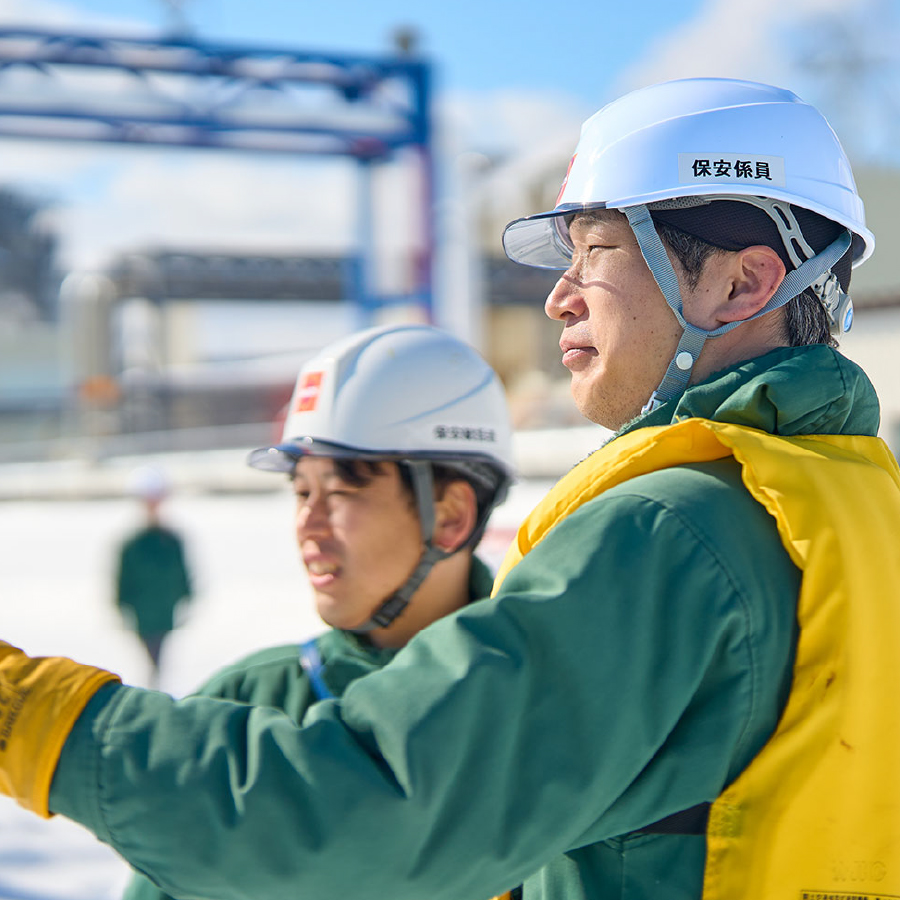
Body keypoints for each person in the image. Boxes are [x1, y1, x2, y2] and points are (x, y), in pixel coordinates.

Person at [3, 77, 900, 900]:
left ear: (744, 282)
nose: (559, 297)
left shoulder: (674, 532)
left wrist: (27, 715)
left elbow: (372, 808)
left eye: (596, 253)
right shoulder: (857, 510)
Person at [120, 322, 516, 900]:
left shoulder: (542, 708)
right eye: (302, 492)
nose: (307, 524)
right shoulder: (242, 707)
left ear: (452, 515)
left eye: (340, 491)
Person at [114, 466, 193, 688]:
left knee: (159, 660)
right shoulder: (132, 544)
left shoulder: (172, 541)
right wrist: (122, 605)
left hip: (165, 611)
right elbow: (122, 582)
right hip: (143, 614)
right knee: (152, 660)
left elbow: (183, 576)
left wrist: (186, 596)